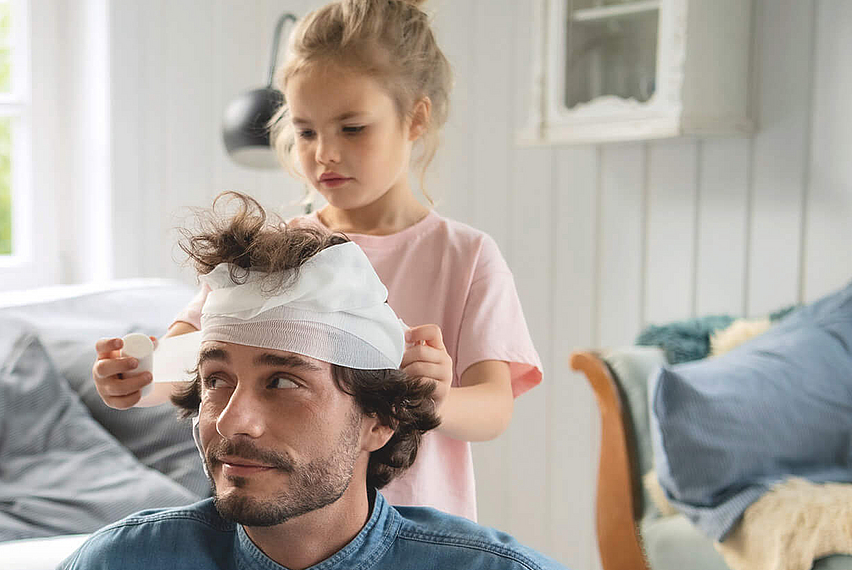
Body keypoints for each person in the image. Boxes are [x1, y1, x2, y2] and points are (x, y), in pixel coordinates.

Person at [94, 0, 541, 520]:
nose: (324, 152)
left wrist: (436, 397)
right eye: (306, 131)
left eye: (352, 128)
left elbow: (494, 409)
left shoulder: (465, 257)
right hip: (293, 530)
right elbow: (190, 357)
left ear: (415, 119)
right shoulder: (272, 252)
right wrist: (138, 378)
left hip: (417, 533)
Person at [54, 197, 597, 570]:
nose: (233, 422)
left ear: (378, 420)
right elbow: (167, 366)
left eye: (282, 382)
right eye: (217, 380)